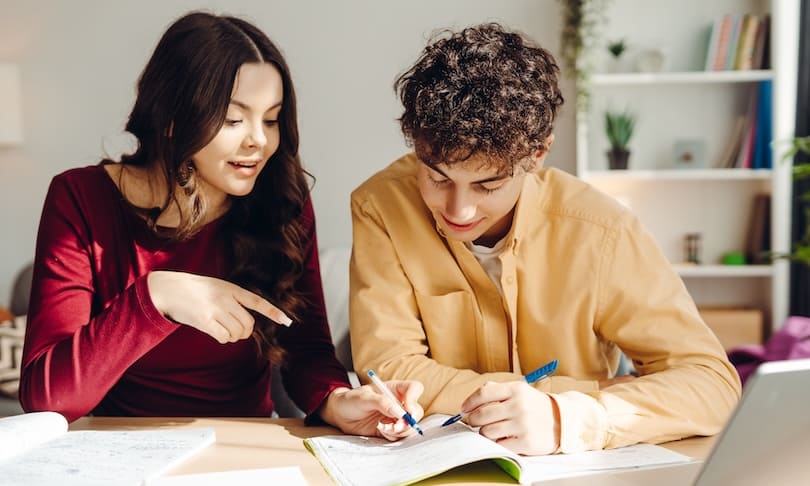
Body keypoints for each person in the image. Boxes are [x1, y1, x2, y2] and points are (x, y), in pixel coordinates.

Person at [19, 11, 423, 440]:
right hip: (117, 446)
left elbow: (306, 351)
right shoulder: (80, 198)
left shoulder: (282, 201)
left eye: (271, 119)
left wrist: (340, 400)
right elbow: (48, 398)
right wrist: (156, 296)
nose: (260, 141)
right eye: (234, 119)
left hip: (244, 444)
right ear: (173, 118)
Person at [349, 23, 741, 455]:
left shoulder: (601, 229)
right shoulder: (380, 204)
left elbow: (712, 383)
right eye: (436, 178)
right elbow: (389, 368)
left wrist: (565, 417)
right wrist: (590, 389)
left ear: (537, 154)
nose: (458, 211)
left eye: (488, 185)